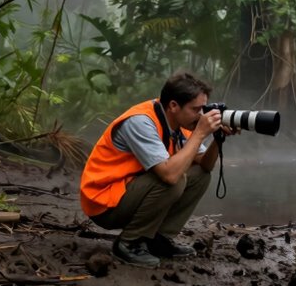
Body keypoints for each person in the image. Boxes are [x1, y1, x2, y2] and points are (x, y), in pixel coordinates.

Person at [80, 71, 237, 268]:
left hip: (129, 191)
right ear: (173, 105)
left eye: (203, 109)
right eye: (196, 109)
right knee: (173, 179)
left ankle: (158, 240)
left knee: (200, 175)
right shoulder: (141, 121)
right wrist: (200, 133)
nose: (201, 115)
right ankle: (129, 243)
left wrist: (216, 139)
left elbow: (205, 165)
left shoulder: (183, 121)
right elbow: (170, 175)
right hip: (104, 203)